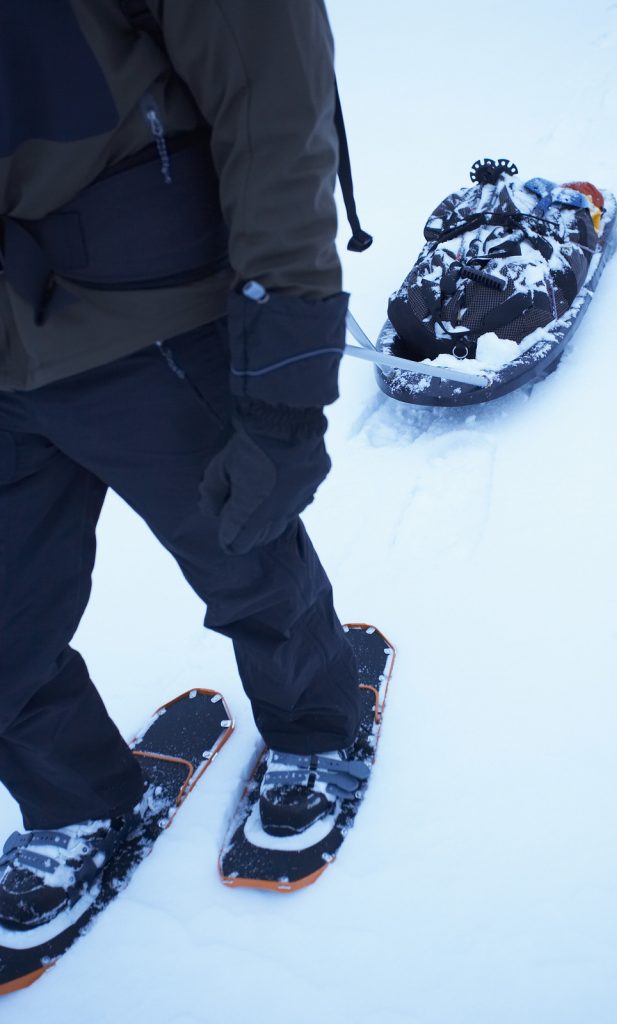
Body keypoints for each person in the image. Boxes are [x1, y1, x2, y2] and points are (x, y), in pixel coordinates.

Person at [0, 0, 364, 930]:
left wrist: (285, 372)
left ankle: (314, 725)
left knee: (241, 544)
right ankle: (75, 797)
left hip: (142, 307)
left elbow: (273, 103)